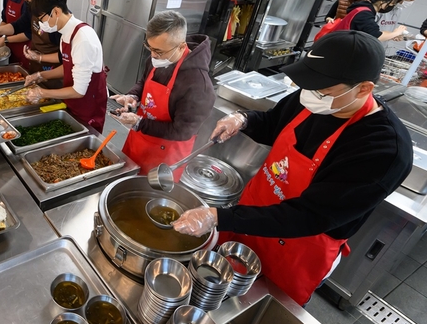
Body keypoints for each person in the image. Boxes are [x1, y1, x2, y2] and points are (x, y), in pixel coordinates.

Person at [172, 31, 413, 306]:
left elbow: (308, 216)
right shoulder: (315, 97)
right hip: (249, 215)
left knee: (255, 311)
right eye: (309, 86)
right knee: (212, 291)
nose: (309, 95)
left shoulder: (383, 150)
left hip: (296, 248)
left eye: (322, 90)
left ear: (363, 89)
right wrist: (244, 119)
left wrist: (217, 216)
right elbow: (274, 123)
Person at [111, 11, 216, 175]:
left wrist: (139, 123)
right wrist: (132, 96)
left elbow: (181, 131)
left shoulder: (199, 86)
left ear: (181, 46)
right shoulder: (158, 59)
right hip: (139, 141)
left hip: (165, 156)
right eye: (150, 47)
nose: (153, 55)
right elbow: (144, 82)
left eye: (158, 51)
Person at [23, 0, 108, 132]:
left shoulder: (83, 39)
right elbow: (68, 67)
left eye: (42, 18)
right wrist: (41, 76)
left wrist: (42, 93)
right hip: (72, 102)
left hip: (87, 105)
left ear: (56, 11)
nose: (41, 24)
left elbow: (79, 91)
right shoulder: (65, 34)